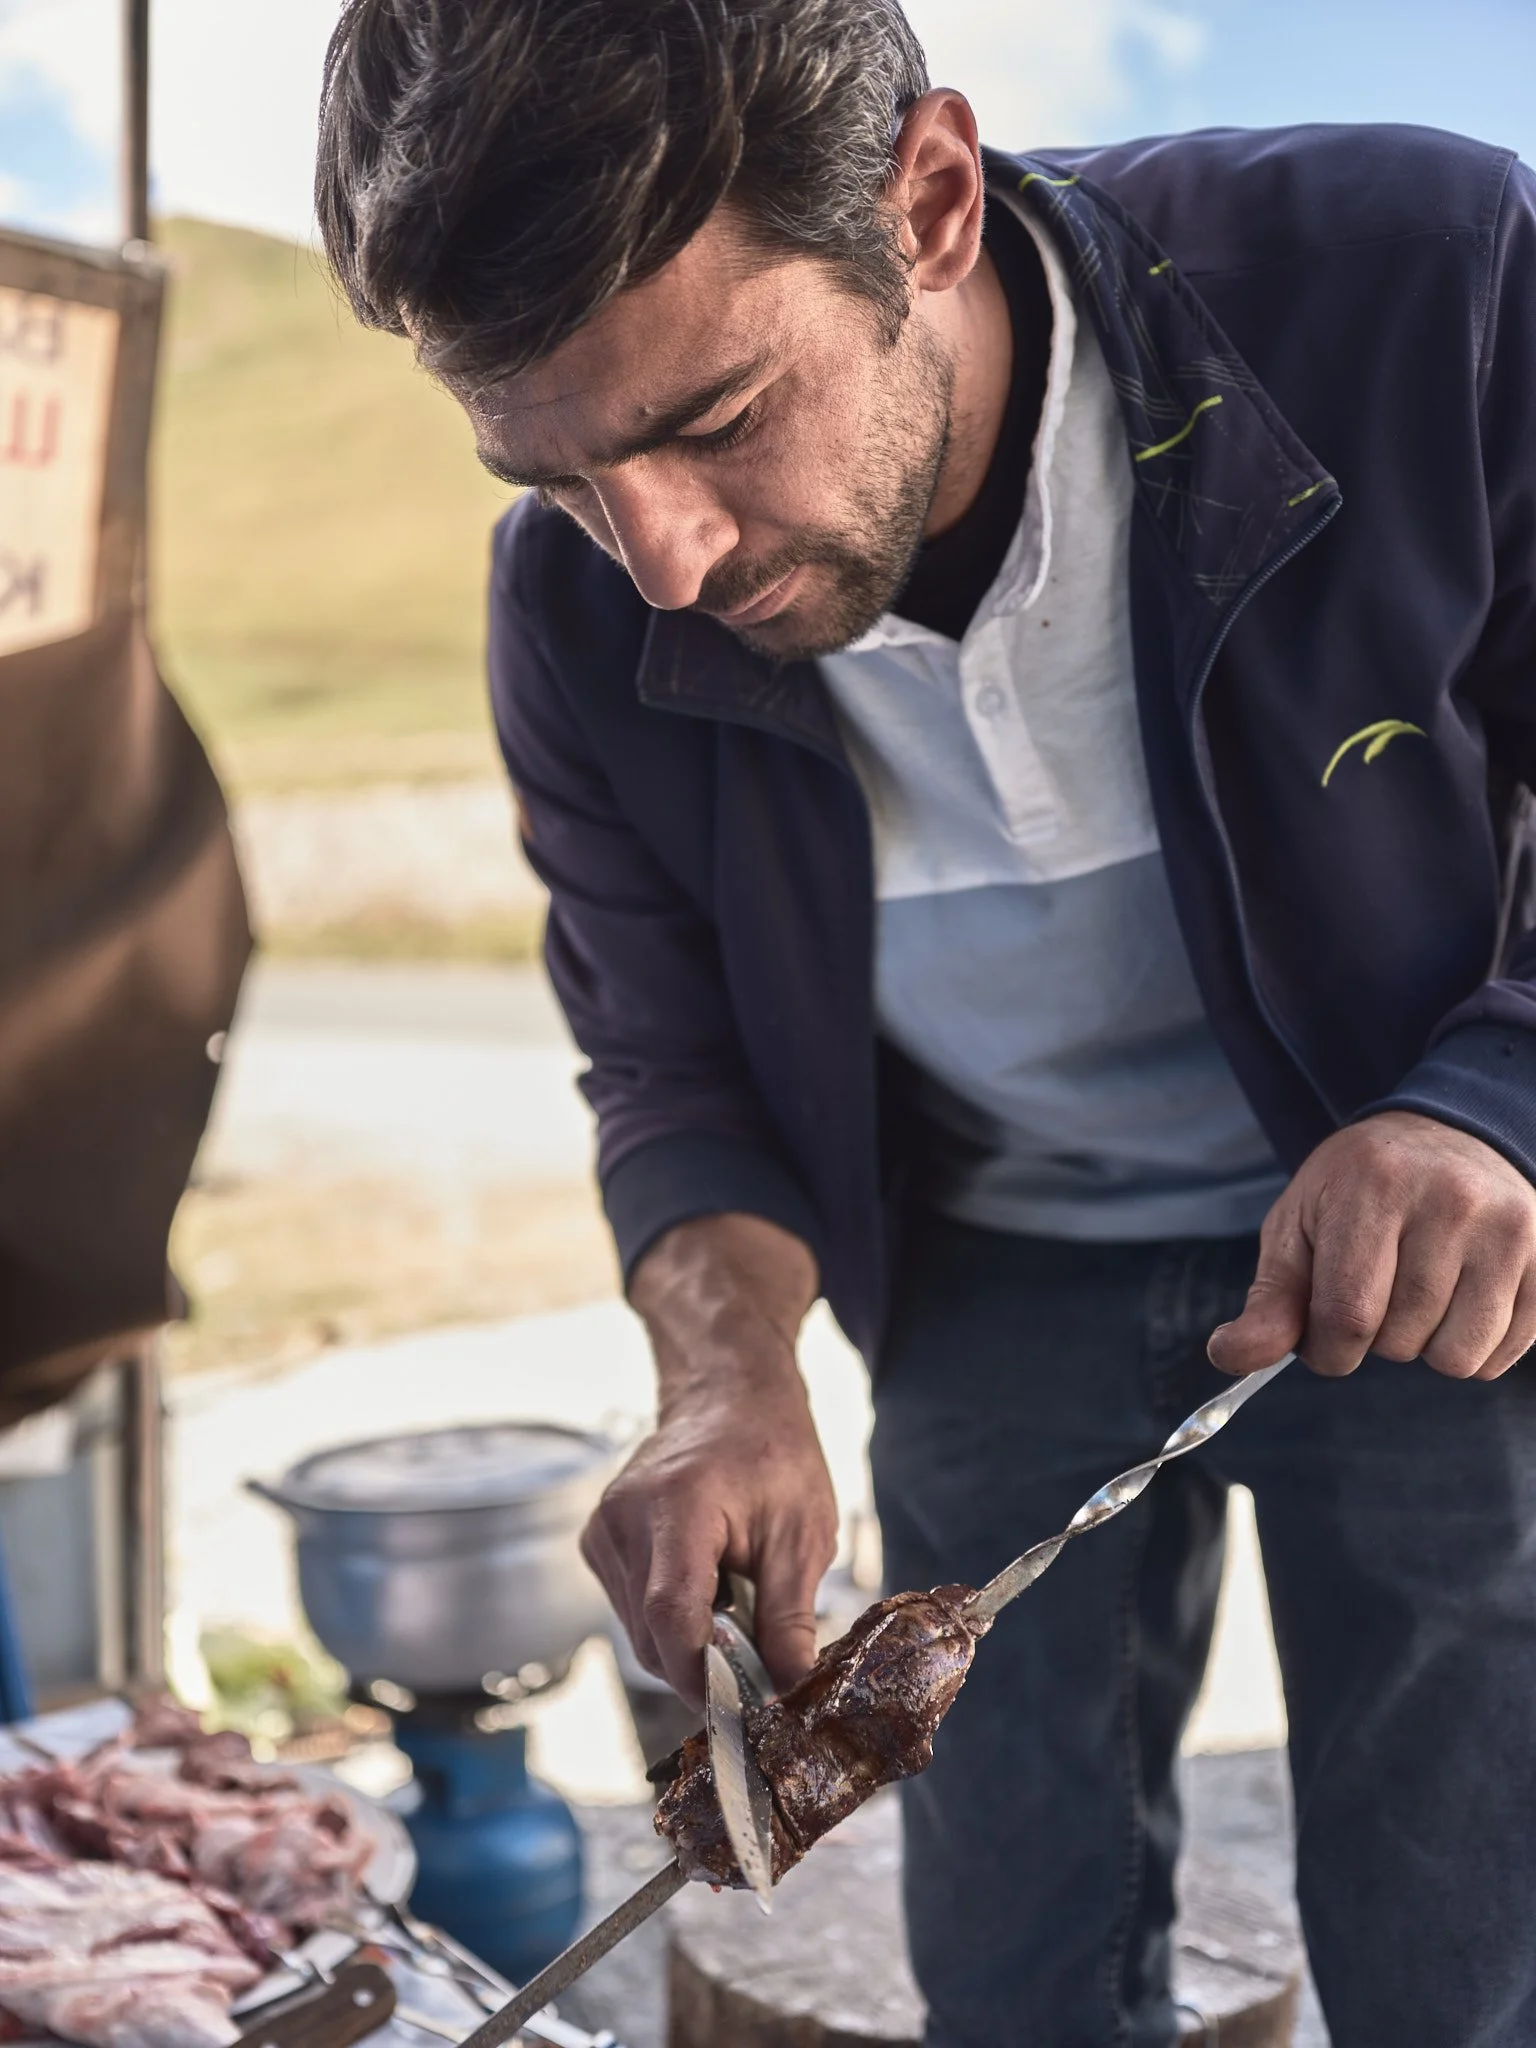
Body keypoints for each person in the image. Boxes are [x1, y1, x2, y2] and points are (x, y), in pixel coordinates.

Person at [315, 4, 1536, 2041]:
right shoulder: (576, 610)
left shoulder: (1429, 285)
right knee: (1014, 1958)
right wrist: (724, 1375)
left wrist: (1501, 1093)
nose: (666, 560)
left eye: (713, 414)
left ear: (932, 202)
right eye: (558, 469)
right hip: (988, 1276)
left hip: (1418, 1257)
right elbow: (673, 1058)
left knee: (1465, 1935)